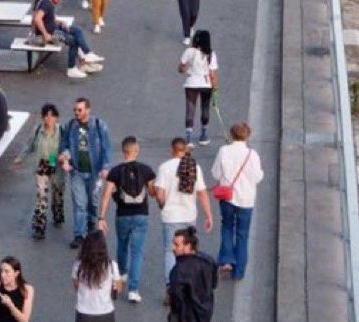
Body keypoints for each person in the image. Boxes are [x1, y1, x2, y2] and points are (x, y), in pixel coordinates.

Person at [97, 135, 156, 304]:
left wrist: (101, 217)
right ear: (136, 151)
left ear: (124, 152)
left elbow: (107, 195)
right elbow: (152, 193)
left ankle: (122, 274)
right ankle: (133, 290)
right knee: (136, 253)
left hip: (122, 215)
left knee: (122, 246)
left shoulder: (115, 171)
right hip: (141, 215)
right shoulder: (146, 170)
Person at [155, 138, 213, 285]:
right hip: (189, 215)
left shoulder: (164, 167)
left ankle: (171, 286)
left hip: (170, 217)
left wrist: (163, 205)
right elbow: (202, 193)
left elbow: (159, 193)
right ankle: (188, 282)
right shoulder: (194, 167)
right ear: (185, 150)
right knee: (189, 251)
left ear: (172, 150)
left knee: (170, 251)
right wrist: (209, 215)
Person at [211, 122, 264, 281]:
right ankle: (239, 270)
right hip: (246, 200)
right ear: (248, 135)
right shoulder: (252, 154)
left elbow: (215, 173)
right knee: (242, 234)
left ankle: (226, 258)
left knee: (227, 226)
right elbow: (258, 177)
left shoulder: (223, 151)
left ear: (231, 134)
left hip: (228, 197)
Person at [60, 98, 113, 249]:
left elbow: (107, 148)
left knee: (93, 202)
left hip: (95, 172)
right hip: (76, 171)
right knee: (79, 203)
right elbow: (64, 146)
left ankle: (91, 225)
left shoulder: (99, 125)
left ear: (88, 110)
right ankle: (79, 234)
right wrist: (64, 157)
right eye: (75, 110)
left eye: (80, 110)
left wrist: (105, 167)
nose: (77, 113)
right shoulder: (70, 126)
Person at [167, 226, 218, 322]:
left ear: (188, 246)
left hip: (183, 321)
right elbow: (213, 284)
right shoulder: (208, 261)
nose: (173, 248)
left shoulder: (178, 270)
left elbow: (175, 296)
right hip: (202, 317)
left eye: (177, 245)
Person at [14, 103, 65, 240]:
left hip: (57, 165)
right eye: (46, 115)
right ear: (43, 117)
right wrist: (20, 157)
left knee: (57, 193)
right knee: (41, 197)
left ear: (56, 117)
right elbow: (29, 145)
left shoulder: (62, 131)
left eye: (52, 115)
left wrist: (66, 156)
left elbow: (68, 147)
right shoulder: (38, 130)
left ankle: (57, 214)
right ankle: (39, 227)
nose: (49, 118)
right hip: (42, 165)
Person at [31, 0, 102, 79]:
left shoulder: (48, 2)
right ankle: (72, 68)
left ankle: (87, 53)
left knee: (77, 30)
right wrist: (45, 34)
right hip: (51, 33)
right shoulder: (46, 4)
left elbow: (48, 19)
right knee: (73, 40)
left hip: (54, 28)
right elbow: (37, 19)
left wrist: (60, 22)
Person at [71, 231, 119, 322]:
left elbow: (76, 285)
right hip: (105, 313)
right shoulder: (111, 265)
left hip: (84, 313)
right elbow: (118, 287)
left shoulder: (78, 265)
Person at [179, 30, 219, 147]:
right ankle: (203, 135)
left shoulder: (189, 51)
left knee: (190, 110)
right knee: (205, 108)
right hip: (206, 84)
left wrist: (186, 70)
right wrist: (215, 87)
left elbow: (181, 69)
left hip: (191, 83)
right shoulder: (211, 54)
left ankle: (188, 138)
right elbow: (212, 74)